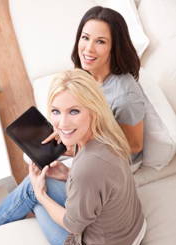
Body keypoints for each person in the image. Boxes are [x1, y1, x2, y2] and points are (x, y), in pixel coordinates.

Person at [0, 69, 146, 245]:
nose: (62, 124)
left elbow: (73, 224)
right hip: (129, 234)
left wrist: (41, 195)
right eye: (55, 111)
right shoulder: (109, 134)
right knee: (37, 183)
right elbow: (104, 180)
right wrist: (67, 173)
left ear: (93, 110)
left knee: (33, 192)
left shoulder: (87, 169)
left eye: (74, 111)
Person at [44, 6, 146, 164]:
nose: (88, 48)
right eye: (85, 38)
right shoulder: (89, 73)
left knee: (36, 179)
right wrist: (67, 130)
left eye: (100, 41)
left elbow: (134, 146)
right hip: (83, 142)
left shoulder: (125, 98)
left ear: (114, 47)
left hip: (110, 162)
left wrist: (79, 145)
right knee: (34, 154)